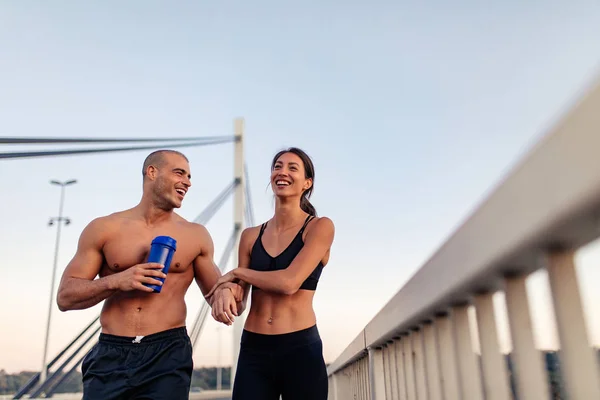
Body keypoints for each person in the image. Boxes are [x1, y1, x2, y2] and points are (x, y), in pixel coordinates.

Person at [56, 149, 241, 400]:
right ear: (152, 172)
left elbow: (218, 293)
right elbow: (65, 297)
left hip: (167, 354)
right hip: (111, 352)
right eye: (179, 173)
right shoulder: (104, 228)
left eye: (189, 176)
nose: (187, 182)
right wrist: (118, 280)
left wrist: (227, 292)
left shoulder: (195, 235)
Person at [206, 147, 335, 400]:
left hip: (300, 349)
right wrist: (225, 292)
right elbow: (240, 301)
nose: (282, 172)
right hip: (254, 349)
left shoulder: (319, 227)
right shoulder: (250, 236)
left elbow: (289, 282)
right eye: (277, 166)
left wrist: (237, 272)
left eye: (292, 167)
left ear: (307, 183)